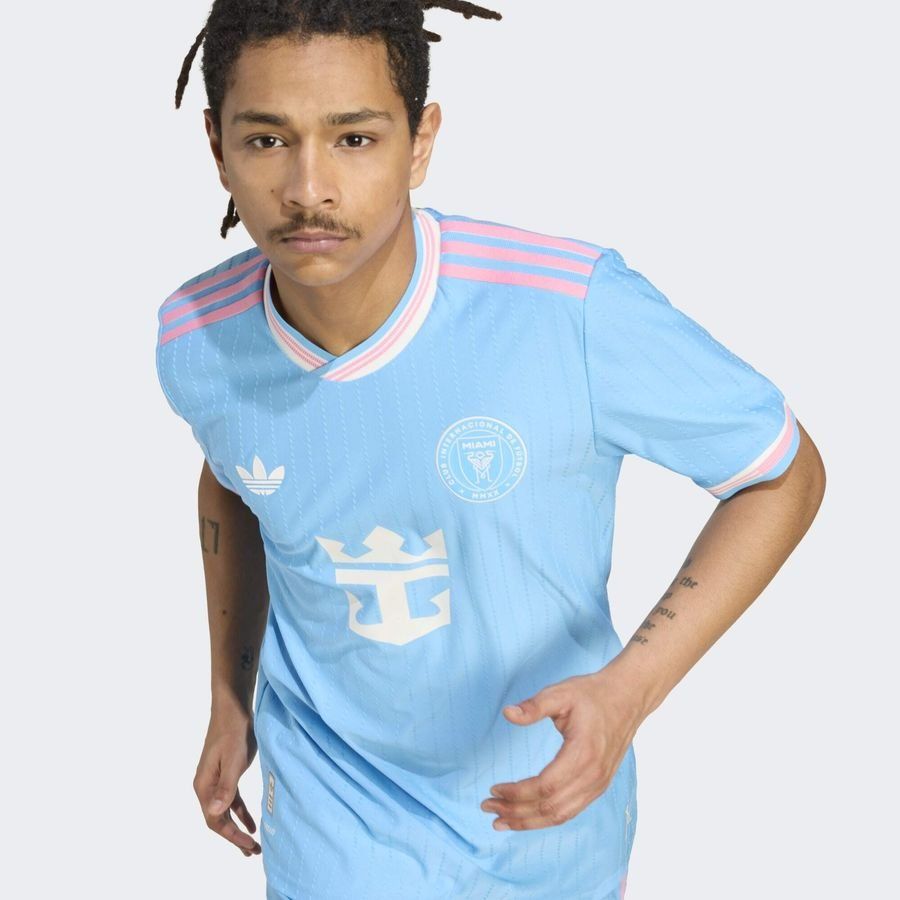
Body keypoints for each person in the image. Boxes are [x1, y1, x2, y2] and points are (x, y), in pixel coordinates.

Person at [155, 2, 827, 898]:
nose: (309, 187)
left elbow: (781, 474)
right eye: (268, 140)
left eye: (354, 139)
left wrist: (628, 690)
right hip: (328, 807)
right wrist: (230, 695)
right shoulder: (196, 337)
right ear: (217, 146)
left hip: (540, 811)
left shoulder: (569, 309)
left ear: (420, 142)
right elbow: (236, 476)